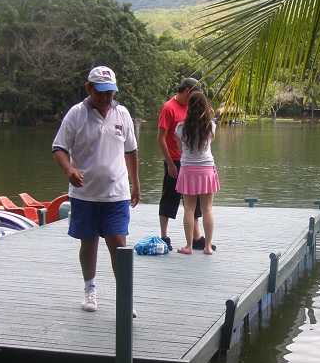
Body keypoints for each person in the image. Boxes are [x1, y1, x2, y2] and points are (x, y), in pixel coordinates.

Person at [52, 66, 141, 313]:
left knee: (117, 241)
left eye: (110, 93)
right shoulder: (76, 114)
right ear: (89, 88)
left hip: (117, 192)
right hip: (85, 193)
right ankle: (90, 289)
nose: (105, 98)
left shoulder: (122, 114)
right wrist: (69, 170)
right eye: (100, 92)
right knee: (89, 241)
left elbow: (131, 151)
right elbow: (59, 148)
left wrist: (136, 183)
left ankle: (124, 296)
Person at [157, 77, 214, 252]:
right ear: (187, 92)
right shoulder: (169, 108)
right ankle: (165, 235)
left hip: (187, 163)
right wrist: (170, 162)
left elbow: (181, 141)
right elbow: (161, 138)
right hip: (180, 161)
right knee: (171, 198)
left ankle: (195, 240)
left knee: (191, 206)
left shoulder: (184, 123)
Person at [174, 91, 220, 254]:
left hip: (187, 169)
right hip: (206, 168)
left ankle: (189, 246)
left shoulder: (180, 127)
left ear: (189, 106)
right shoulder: (211, 125)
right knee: (207, 209)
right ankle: (208, 246)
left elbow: (180, 150)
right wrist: (210, 116)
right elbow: (210, 140)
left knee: (189, 209)